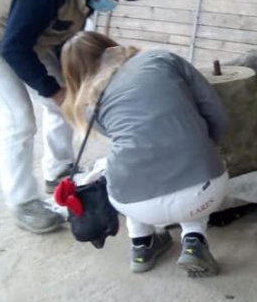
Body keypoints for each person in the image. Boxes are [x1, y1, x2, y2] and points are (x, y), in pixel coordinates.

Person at [0, 0, 142, 233]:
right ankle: (22, 203)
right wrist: (51, 89)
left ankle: (58, 170)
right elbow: (14, 48)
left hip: (29, 37)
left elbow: (64, 42)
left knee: (65, 102)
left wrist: (74, 87)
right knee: (18, 120)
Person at [60, 31, 228, 277]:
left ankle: (141, 247)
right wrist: (203, 147)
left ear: (73, 75)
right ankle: (194, 242)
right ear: (109, 45)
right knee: (192, 167)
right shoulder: (162, 59)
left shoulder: (88, 105)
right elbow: (217, 113)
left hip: (136, 204)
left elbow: (136, 140)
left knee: (125, 170)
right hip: (205, 192)